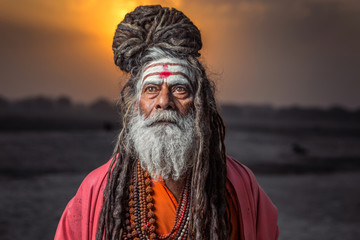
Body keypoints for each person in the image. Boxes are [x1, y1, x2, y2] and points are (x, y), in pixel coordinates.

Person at [55, 5, 278, 240]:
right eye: (151, 89)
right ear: (135, 102)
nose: (164, 102)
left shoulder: (239, 186)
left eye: (179, 89)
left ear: (201, 103)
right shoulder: (96, 189)